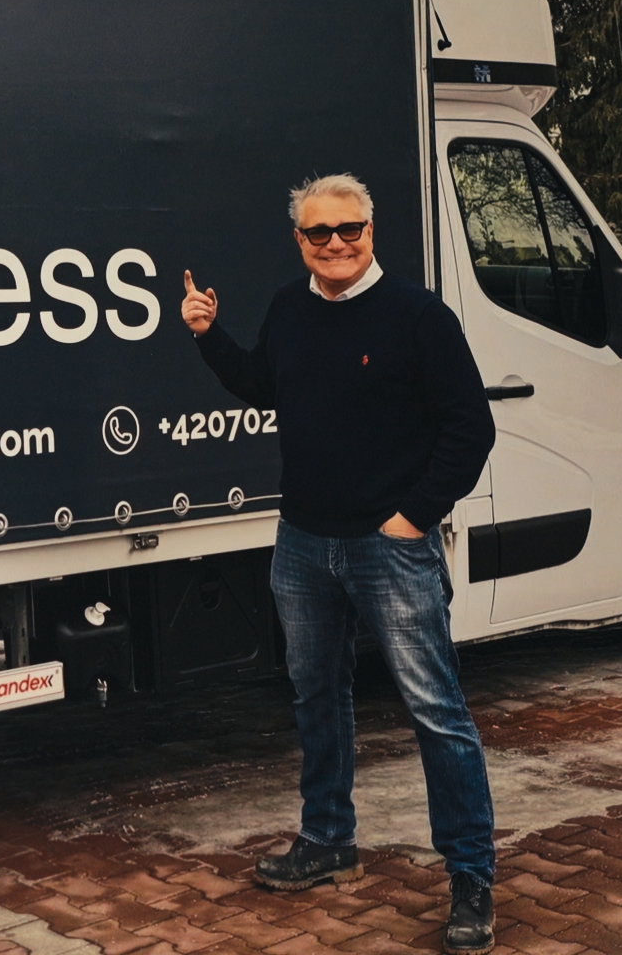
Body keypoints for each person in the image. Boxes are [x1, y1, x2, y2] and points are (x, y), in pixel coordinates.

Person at [180, 174, 499, 954]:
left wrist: (411, 517)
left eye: (348, 229)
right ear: (300, 242)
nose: (336, 245)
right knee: (316, 696)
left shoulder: (418, 316)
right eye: (319, 233)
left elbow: (471, 430)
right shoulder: (291, 308)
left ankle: (471, 878)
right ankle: (327, 839)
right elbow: (263, 384)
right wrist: (207, 335)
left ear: (371, 229)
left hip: (389, 547)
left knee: (436, 711)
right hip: (303, 544)